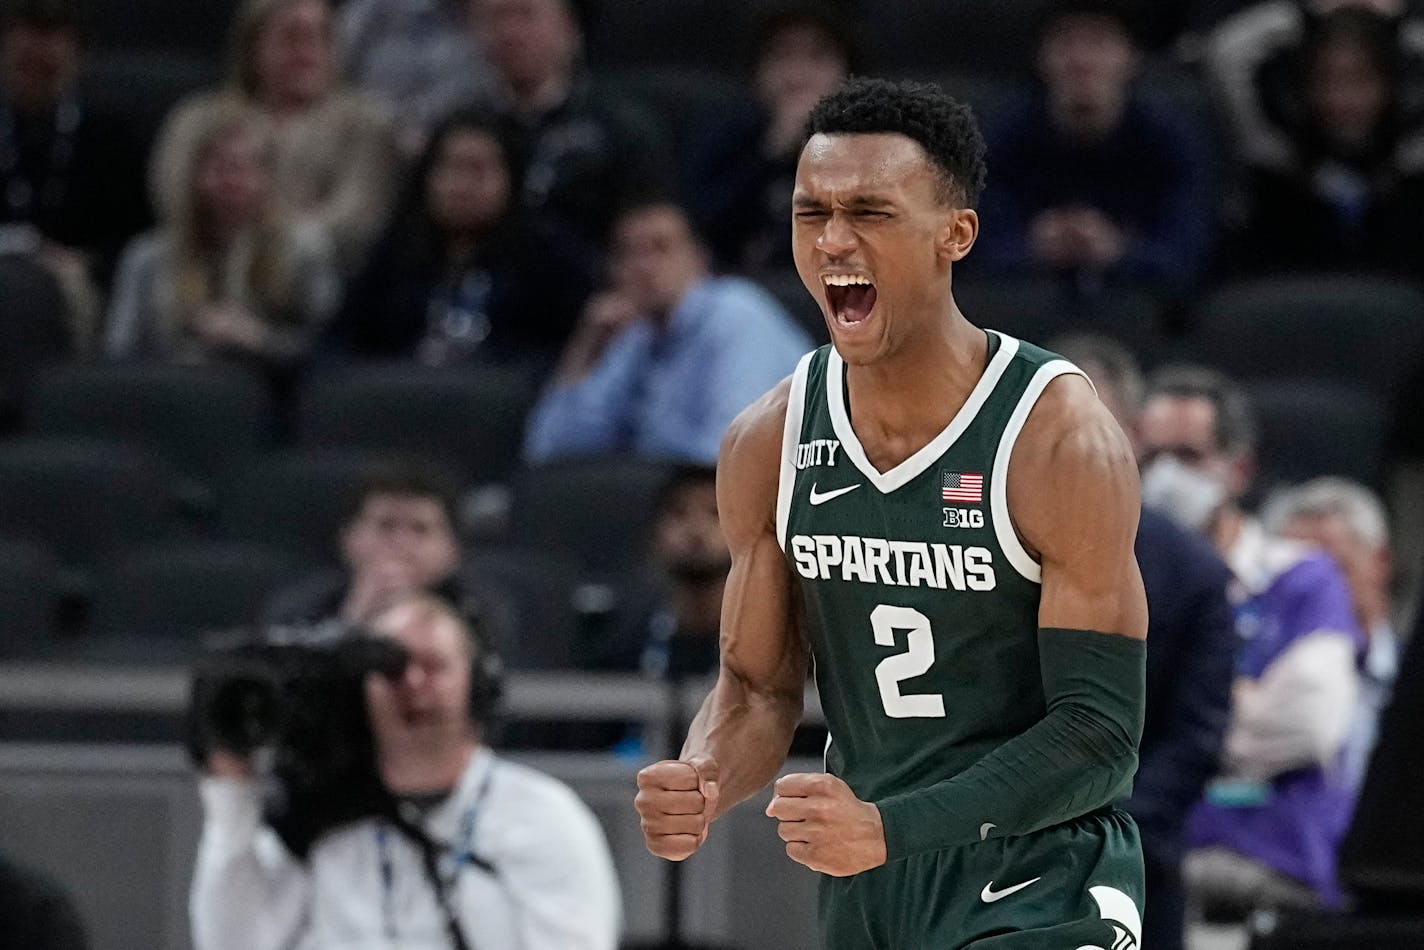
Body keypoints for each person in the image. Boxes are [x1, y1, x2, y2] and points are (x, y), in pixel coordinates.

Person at [633, 78, 1149, 949]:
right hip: (869, 885)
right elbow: (758, 688)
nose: (835, 241)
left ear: (956, 234)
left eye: (869, 212)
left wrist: (891, 826)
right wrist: (705, 775)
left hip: (1041, 878)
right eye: (812, 214)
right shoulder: (768, 441)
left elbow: (1099, 737)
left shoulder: (1055, 437)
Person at [191, 593, 622, 950]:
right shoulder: (322, 819)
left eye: (434, 667)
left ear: (476, 688)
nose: (413, 685)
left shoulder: (540, 817)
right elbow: (229, 942)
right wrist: (231, 788)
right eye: (392, 671)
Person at [1135, 366, 1365, 912]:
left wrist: (1192, 720)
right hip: (1152, 846)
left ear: (1237, 469)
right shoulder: (1120, 581)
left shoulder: (1301, 577)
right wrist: (1242, 698)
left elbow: (1310, 725)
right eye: (1153, 458)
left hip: (1266, 858)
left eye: (1189, 457)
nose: (1166, 476)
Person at [1053, 334, 1238, 950]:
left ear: (1131, 434)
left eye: (1083, 422)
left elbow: (1195, 739)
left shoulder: (1193, 573)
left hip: (1130, 867)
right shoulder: (974, 550)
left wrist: (1098, 831)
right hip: (984, 863)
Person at [523, 200, 810, 465]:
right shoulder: (636, 335)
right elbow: (549, 450)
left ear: (700, 260)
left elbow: (735, 458)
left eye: (660, 248)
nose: (643, 267)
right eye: (628, 253)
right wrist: (584, 346)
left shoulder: (736, 316)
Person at [320, 108, 599, 369]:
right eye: (450, 167)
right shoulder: (397, 251)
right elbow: (340, 343)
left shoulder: (551, 255)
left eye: (478, 169)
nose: (461, 185)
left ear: (510, 179)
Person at [973, 0, 1214, 292]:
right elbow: (969, 255)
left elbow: (1189, 257)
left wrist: (1119, 252)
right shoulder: (1001, 139)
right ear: (1041, 58)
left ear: (1131, 57)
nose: (1081, 60)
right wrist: (1033, 248)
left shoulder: (1173, 141)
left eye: (1098, 43)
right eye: (1066, 42)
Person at [167, 0, 401, 274]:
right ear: (252, 45)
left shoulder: (366, 124)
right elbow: (174, 194)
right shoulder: (198, 118)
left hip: (318, 274)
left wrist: (270, 238)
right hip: (205, 263)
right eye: (292, 37)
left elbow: (357, 218)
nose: (307, 51)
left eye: (322, 37)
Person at [103, 97, 338, 369]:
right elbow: (118, 357)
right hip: (171, 393)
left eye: (244, 167)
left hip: (268, 393)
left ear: (268, 176)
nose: (231, 181)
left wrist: (258, 339)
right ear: (193, 176)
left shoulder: (305, 249)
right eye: (219, 167)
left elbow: (328, 353)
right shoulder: (148, 257)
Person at [1226, 6, 1424, 272]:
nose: (1342, 100)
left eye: (1360, 80)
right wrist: (1301, 13)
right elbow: (1229, 53)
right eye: (1326, 80)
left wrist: (1395, 23)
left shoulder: (1411, 161)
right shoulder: (1276, 158)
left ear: (1392, 88)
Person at [469, 0, 674, 246]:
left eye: (527, 15)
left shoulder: (620, 125)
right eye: (497, 17)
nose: (511, 32)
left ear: (567, 27)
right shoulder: (465, 130)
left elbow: (652, 222)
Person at [0, 0, 148, 338]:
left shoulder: (113, 134)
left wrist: (85, 263)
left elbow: (135, 238)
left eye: (48, 62)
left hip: (78, 281)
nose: (37, 58)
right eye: (25, 61)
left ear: (79, 57)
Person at [684, 3, 860, 273]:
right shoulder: (730, 136)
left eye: (817, 57)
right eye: (782, 57)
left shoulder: (880, 142)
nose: (798, 78)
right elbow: (700, 235)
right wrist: (771, 153)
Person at [1262, 476, 1400, 791]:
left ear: (1380, 563)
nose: (1316, 592)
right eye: (1298, 574)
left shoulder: (1406, 679)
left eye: (1335, 570)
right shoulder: (1245, 668)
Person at [262, 462, 500, 637]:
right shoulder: (302, 606)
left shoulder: (481, 610)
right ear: (348, 538)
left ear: (453, 548)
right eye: (386, 525)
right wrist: (350, 622)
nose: (401, 543)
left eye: (421, 529)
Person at [337, 0, 495, 154]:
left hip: (458, 147)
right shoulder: (371, 12)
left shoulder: (484, 14)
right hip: (374, 145)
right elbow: (336, 70)